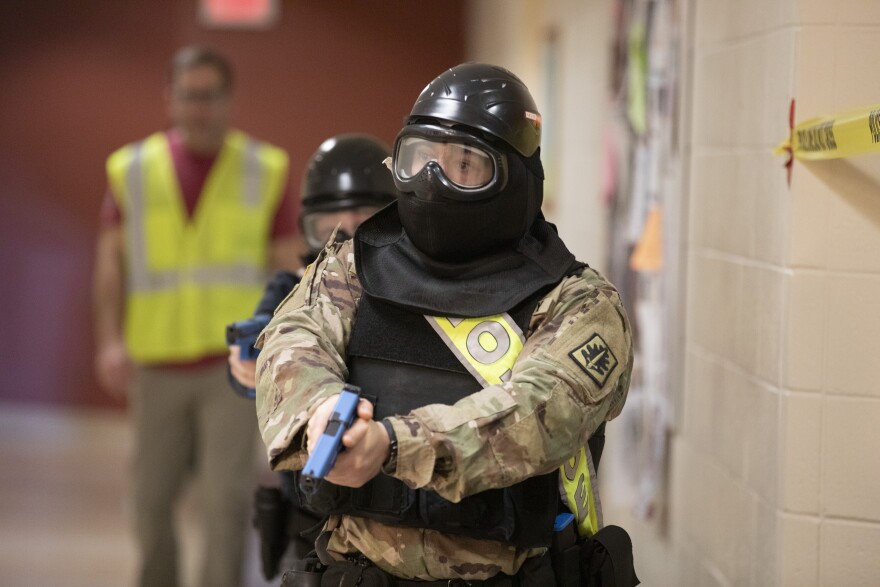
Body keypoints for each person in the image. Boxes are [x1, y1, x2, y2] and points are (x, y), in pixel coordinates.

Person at [255, 63, 635, 586]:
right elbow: (292, 342)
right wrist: (319, 414)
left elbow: (540, 413)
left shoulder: (577, 301)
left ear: (514, 176)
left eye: (464, 165)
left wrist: (393, 446)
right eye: (419, 159)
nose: (432, 181)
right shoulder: (352, 267)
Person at [92, 45, 302, 587]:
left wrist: (291, 346)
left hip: (232, 367)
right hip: (155, 362)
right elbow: (111, 262)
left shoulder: (264, 168)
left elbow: (288, 267)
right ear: (170, 97)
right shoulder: (132, 169)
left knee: (224, 500)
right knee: (149, 498)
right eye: (188, 95)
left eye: (209, 96)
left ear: (229, 99)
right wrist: (109, 340)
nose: (199, 108)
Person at [225, 134, 398, 582]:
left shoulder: (405, 294)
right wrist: (252, 365)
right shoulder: (291, 289)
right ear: (309, 228)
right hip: (308, 508)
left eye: (365, 221)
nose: (346, 238)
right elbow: (261, 341)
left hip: (385, 504)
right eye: (330, 226)